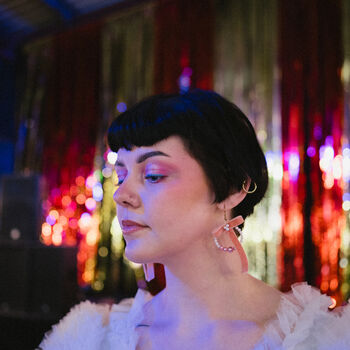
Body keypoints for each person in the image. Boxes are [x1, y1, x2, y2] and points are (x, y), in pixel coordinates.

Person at [39, 90, 350, 350]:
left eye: (153, 175)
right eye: (120, 175)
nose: (122, 195)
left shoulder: (315, 339)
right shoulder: (91, 338)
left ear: (231, 190)